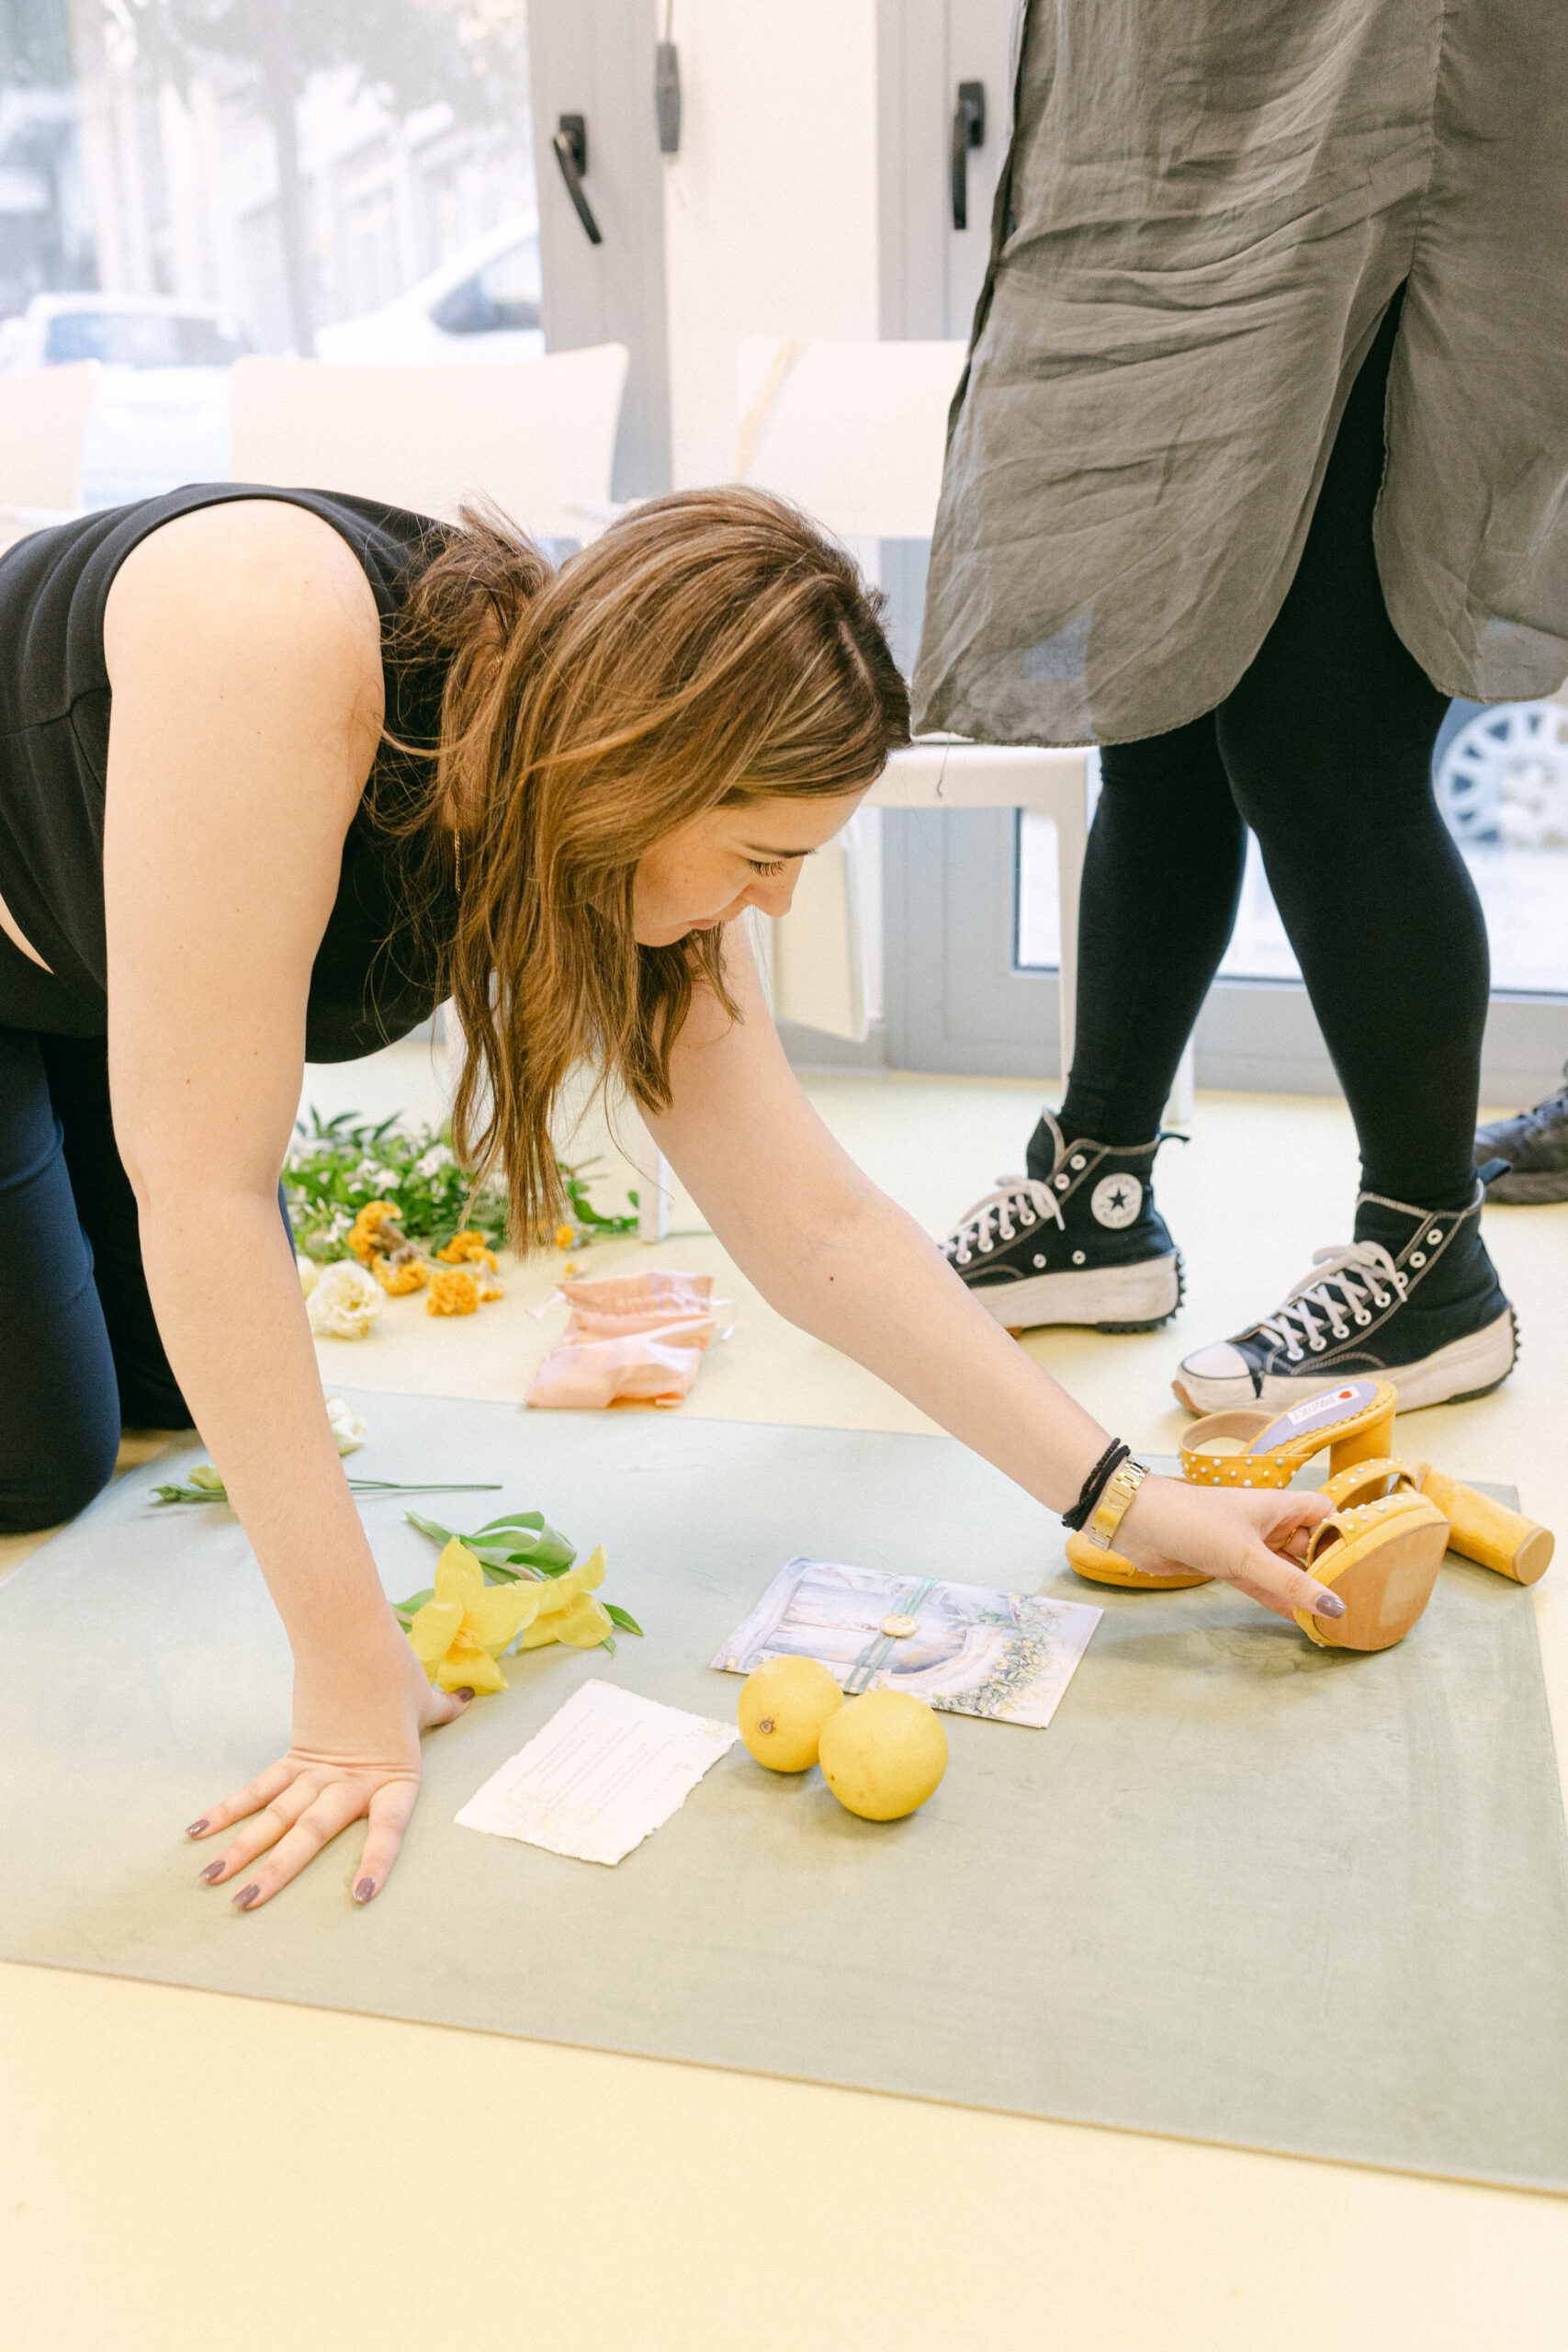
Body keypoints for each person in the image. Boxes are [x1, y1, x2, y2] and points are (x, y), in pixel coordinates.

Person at [0, 483, 1343, 1908]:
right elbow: (206, 1189)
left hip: (112, 972)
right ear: (647, 772)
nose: (769, 907)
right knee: (48, 1462)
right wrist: (349, 1680)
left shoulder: (596, 788)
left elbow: (815, 1226)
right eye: (762, 859)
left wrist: (1124, 1498)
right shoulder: (272, 634)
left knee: (169, 1388)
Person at [917, 2, 1566, 1416]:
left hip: (1385, 106)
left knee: (1319, 736)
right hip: (1161, 125)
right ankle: (1100, 1200)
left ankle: (1431, 1259)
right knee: (1160, 705)